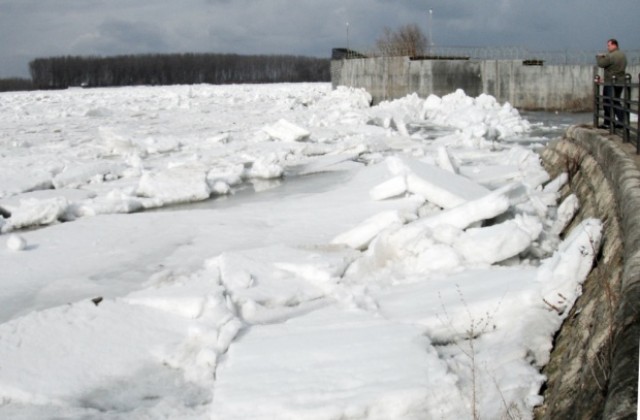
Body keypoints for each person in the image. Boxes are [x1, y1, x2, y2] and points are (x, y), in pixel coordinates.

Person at [596, 39, 627, 128]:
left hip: (611, 83)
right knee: (615, 100)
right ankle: (619, 121)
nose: (607, 47)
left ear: (614, 45)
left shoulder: (611, 55)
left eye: (609, 45)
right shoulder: (622, 55)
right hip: (620, 81)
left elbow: (601, 64)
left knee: (608, 101)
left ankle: (611, 122)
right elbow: (615, 69)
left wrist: (599, 57)